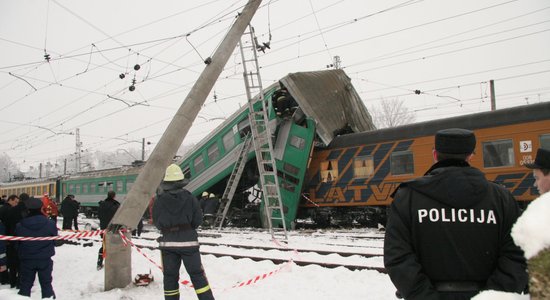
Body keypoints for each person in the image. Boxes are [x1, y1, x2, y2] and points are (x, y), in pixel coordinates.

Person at [384, 128, 528, 300]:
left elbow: (398, 256)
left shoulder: (407, 197)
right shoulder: (501, 199)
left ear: (435, 155)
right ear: (470, 156)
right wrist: (493, 295)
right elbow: (516, 255)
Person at [152, 164, 214, 300]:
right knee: (197, 275)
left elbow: (156, 221)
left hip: (168, 244)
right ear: (180, 182)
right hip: (188, 242)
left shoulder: (159, 200)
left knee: (170, 277)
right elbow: (198, 219)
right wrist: (186, 229)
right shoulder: (190, 197)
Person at [15, 197, 57, 298]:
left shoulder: (20, 225)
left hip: (27, 258)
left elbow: (17, 243)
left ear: (27, 210)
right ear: (41, 208)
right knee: (46, 284)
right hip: (45, 258)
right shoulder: (50, 224)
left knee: (25, 284)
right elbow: (54, 240)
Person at [5, 193, 28, 289]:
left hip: (12, 239)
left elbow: (7, 224)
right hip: (24, 240)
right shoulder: (28, 211)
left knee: (12, 262)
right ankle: (20, 282)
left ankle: (12, 282)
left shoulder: (12, 210)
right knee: (22, 263)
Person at [96, 191, 120, 270]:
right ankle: (114, 263)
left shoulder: (102, 204)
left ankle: (99, 263)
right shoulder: (116, 205)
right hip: (114, 229)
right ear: (114, 196)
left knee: (104, 246)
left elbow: (99, 216)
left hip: (104, 229)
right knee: (115, 245)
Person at [0, 195, 19, 285]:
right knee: (4, 258)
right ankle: (4, 277)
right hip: (6, 238)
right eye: (15, 202)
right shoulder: (9, 210)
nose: (16, 204)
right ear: (10, 200)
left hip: (4, 237)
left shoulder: (2, 208)